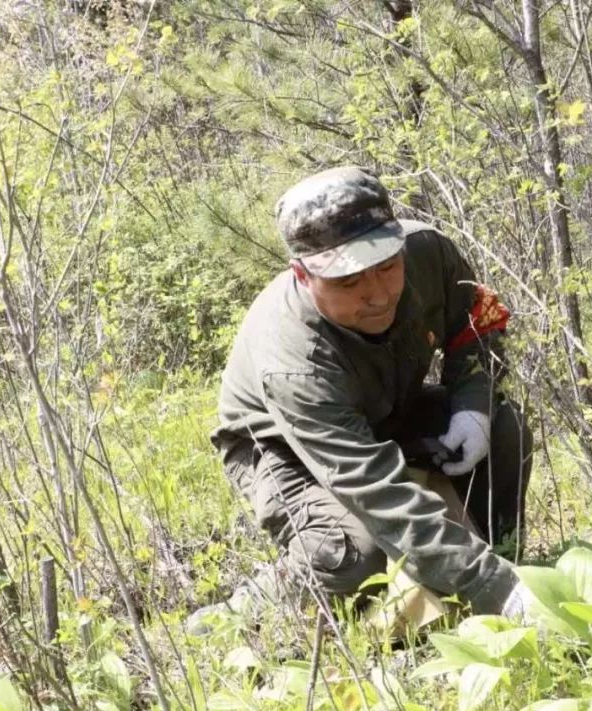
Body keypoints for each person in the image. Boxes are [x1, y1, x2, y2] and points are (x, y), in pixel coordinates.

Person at [190, 166, 533, 631]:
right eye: (348, 283)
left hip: (386, 410)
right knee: (355, 553)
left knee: (502, 426)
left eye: (387, 268)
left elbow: (475, 328)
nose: (376, 296)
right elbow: (376, 491)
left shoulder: (429, 252)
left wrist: (473, 407)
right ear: (302, 274)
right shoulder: (295, 360)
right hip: (280, 448)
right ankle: (265, 597)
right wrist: (498, 592)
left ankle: (502, 554)